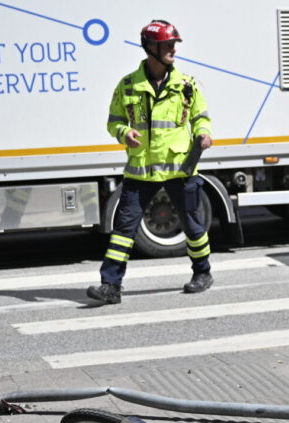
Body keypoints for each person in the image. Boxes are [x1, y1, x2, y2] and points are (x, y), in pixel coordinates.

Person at [87, 19, 214, 305]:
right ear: (150, 47)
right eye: (167, 45)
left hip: (180, 168)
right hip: (141, 171)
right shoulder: (128, 85)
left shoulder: (187, 85)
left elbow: (201, 117)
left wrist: (204, 133)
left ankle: (203, 273)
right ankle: (110, 287)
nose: (173, 50)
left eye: (174, 44)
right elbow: (114, 121)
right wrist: (124, 132)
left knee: (193, 226)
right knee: (123, 231)